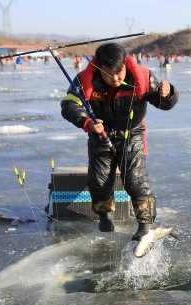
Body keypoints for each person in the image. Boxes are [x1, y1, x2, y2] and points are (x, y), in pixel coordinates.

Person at [60, 43, 179, 241]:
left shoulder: (142, 76)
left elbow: (163, 104)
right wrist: (87, 122)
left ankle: (145, 225)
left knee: (135, 178)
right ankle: (104, 214)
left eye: (119, 73)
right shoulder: (84, 80)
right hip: (100, 133)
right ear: (98, 68)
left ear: (125, 64)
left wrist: (168, 94)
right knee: (99, 180)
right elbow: (69, 105)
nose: (115, 79)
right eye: (109, 74)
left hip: (132, 132)